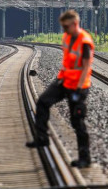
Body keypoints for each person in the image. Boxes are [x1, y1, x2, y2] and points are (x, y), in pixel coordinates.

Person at [26, 10, 95, 168]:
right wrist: (60, 78)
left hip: (78, 86)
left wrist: (78, 90)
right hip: (64, 81)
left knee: (77, 121)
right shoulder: (67, 37)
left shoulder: (85, 41)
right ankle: (42, 138)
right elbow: (67, 62)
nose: (63, 30)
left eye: (66, 27)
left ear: (75, 24)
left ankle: (85, 158)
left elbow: (85, 68)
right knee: (43, 102)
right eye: (62, 27)